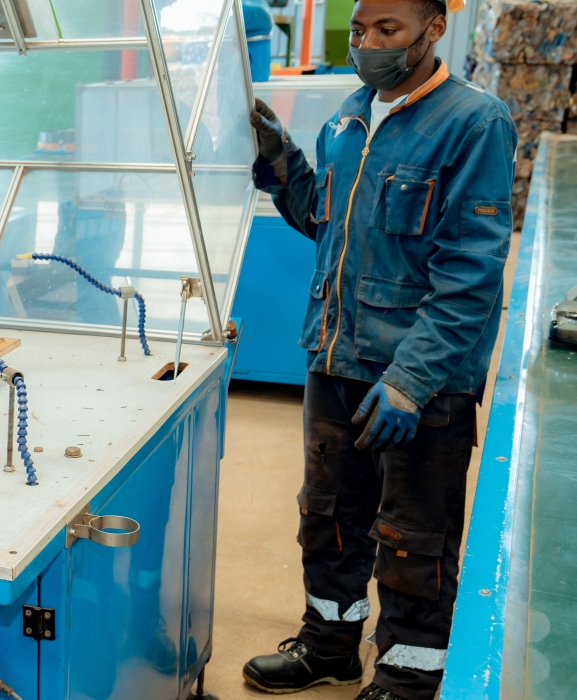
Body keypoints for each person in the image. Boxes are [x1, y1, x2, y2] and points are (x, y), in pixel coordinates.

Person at [242, 0, 515, 699]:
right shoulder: (348, 119)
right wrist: (283, 162)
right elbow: (321, 220)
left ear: (432, 28)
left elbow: (471, 273)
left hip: (417, 380)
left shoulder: (474, 123)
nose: (368, 45)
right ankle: (330, 644)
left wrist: (411, 381)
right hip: (335, 358)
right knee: (329, 519)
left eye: (386, 30)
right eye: (359, 31)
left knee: (413, 536)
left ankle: (409, 672)